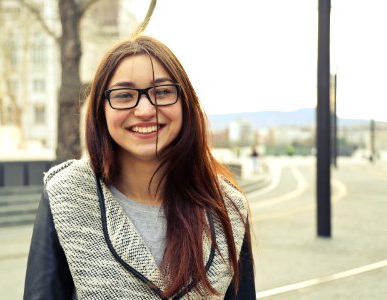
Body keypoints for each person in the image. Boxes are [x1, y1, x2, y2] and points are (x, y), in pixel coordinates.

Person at [24, 35, 255, 299]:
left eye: (163, 92)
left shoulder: (227, 207)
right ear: (101, 110)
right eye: (124, 95)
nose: (145, 110)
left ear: (186, 103)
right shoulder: (67, 195)